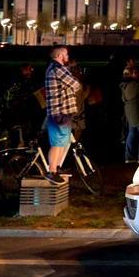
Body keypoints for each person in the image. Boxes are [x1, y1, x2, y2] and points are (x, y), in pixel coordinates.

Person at [42, 45, 81, 185]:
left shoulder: (53, 69)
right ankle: (52, 171)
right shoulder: (58, 69)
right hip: (61, 111)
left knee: (61, 143)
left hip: (60, 111)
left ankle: (55, 169)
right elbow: (76, 85)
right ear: (59, 56)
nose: (68, 57)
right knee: (57, 143)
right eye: (66, 55)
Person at [119, 63, 139, 163]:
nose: (137, 74)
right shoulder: (134, 86)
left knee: (131, 133)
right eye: (135, 73)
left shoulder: (124, 86)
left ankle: (129, 156)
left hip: (130, 114)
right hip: (137, 113)